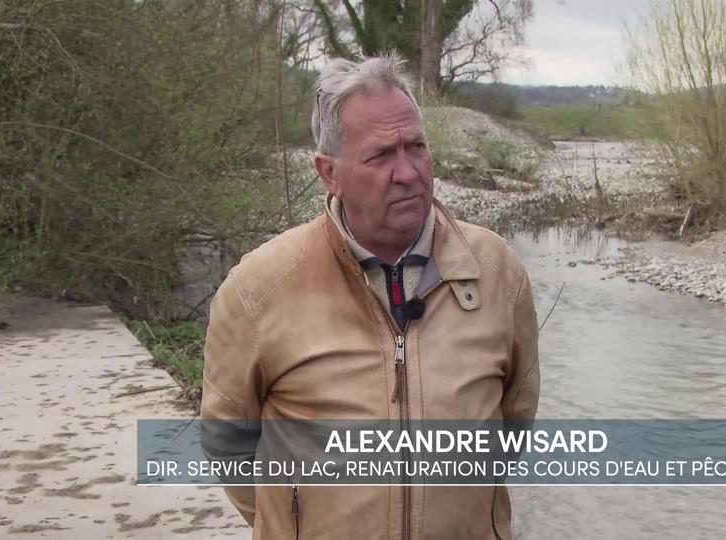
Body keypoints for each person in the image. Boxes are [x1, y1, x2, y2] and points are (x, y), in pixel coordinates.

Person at [200, 53, 540, 540]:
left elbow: (513, 426)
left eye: (416, 147)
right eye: (381, 156)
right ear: (328, 172)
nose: (407, 172)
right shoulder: (260, 289)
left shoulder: (496, 271)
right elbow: (227, 443)